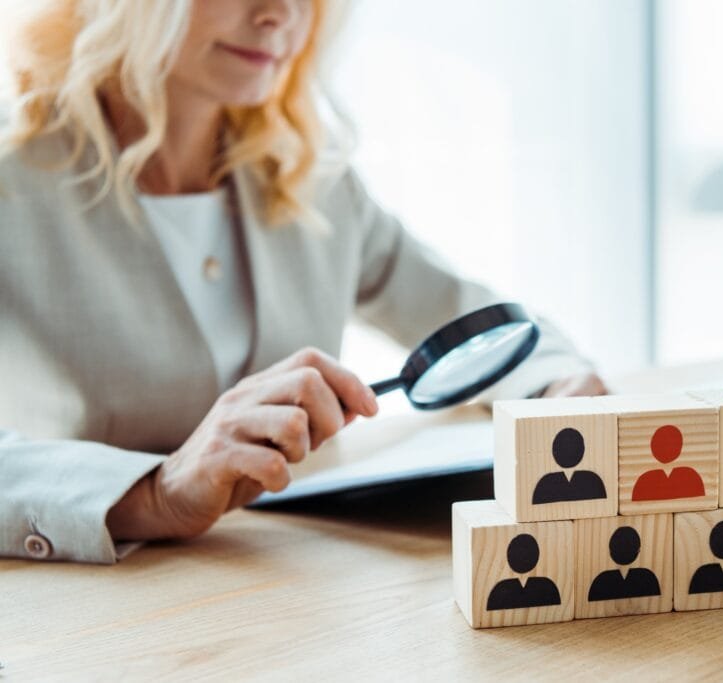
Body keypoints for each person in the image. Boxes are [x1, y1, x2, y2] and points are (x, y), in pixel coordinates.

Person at [0, 0, 606, 564]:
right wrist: (155, 493)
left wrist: (561, 385)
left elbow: (474, 321)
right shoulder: (14, 178)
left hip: (291, 590)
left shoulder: (308, 180)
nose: (282, 14)